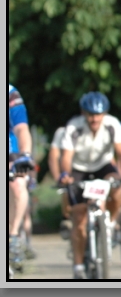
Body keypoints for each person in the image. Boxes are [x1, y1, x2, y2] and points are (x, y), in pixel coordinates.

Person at [58, 91, 121, 279]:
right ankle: (78, 266)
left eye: (98, 115)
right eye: (90, 115)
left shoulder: (112, 124)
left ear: (104, 113)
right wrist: (66, 174)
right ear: (83, 113)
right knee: (79, 220)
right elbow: (66, 157)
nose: (94, 119)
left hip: (103, 165)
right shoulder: (73, 127)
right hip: (79, 168)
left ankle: (110, 223)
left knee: (116, 185)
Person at [8, 84, 35, 271]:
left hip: (10, 149)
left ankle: (13, 236)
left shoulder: (10, 93)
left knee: (17, 184)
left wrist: (25, 155)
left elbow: (21, 129)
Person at [48, 125, 75, 240]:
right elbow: (53, 156)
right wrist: (57, 177)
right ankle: (66, 219)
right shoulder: (62, 132)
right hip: (69, 172)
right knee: (67, 191)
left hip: (88, 170)